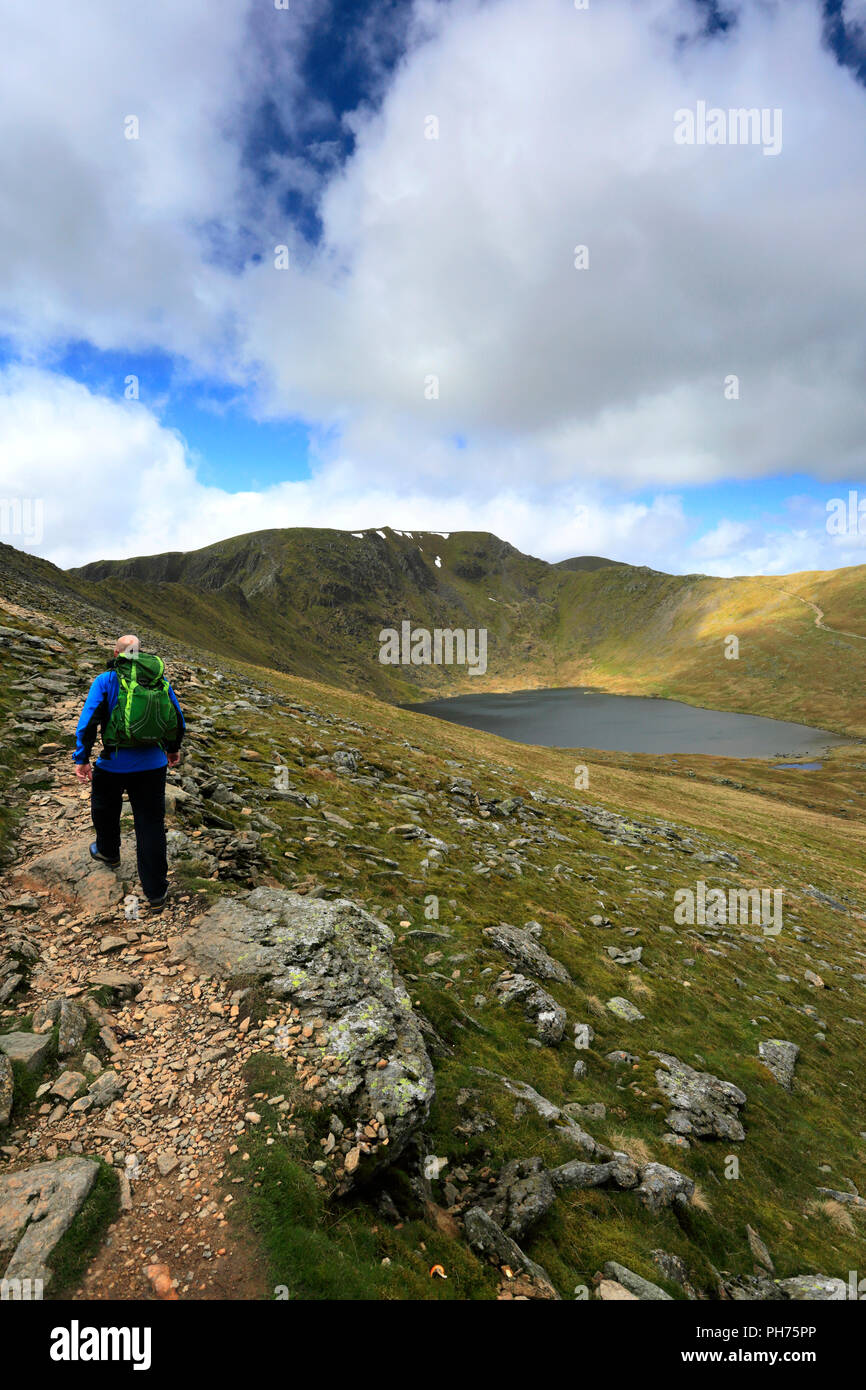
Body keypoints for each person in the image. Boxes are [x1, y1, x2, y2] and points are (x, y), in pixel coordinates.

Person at [72, 634, 185, 912]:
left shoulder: (106, 680)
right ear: (140, 653)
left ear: (117, 652)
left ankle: (109, 853)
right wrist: (172, 749)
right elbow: (177, 718)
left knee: (105, 808)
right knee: (150, 823)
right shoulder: (159, 680)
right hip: (153, 765)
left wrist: (82, 758)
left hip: (113, 763)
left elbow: (88, 721)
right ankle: (156, 892)